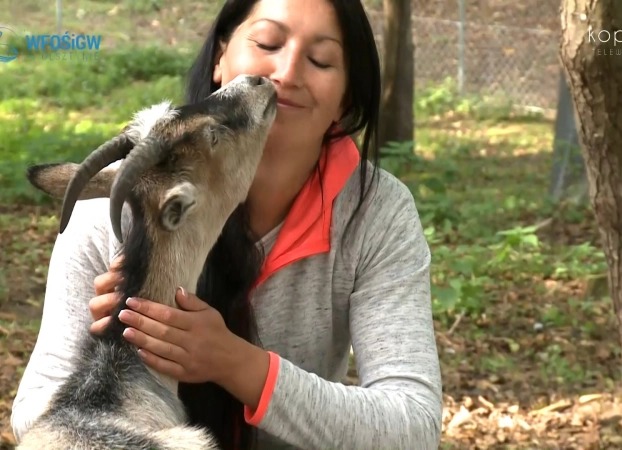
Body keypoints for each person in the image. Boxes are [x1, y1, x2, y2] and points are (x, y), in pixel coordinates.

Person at [11, 0, 443, 448]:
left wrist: (239, 366)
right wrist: (114, 345)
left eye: (321, 60)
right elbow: (34, 417)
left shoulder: (375, 213)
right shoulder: (119, 204)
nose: (288, 72)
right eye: (268, 42)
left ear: (346, 100)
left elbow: (412, 427)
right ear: (220, 57)